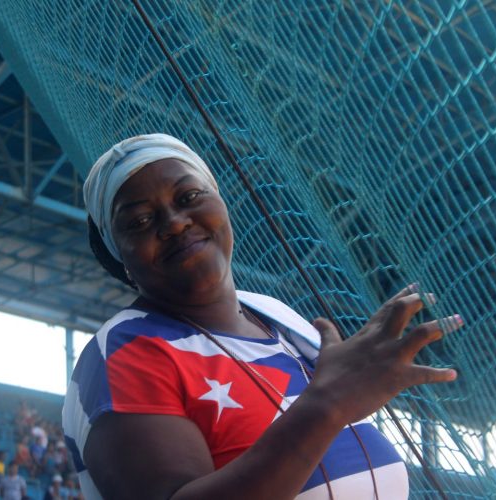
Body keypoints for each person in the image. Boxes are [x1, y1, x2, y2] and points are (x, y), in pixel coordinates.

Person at [61, 134, 463, 499]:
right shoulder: (125, 352)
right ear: (120, 257)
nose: (176, 223)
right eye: (141, 221)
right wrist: (330, 403)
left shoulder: (278, 318)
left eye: (188, 197)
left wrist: (350, 390)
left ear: (220, 203)